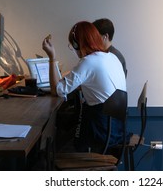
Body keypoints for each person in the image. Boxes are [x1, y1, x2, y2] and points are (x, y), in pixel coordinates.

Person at [42, 21, 126, 153]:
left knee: (56, 147)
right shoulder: (112, 58)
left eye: (72, 45)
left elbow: (56, 90)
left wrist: (52, 57)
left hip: (98, 138)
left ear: (77, 44)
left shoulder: (88, 61)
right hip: (115, 133)